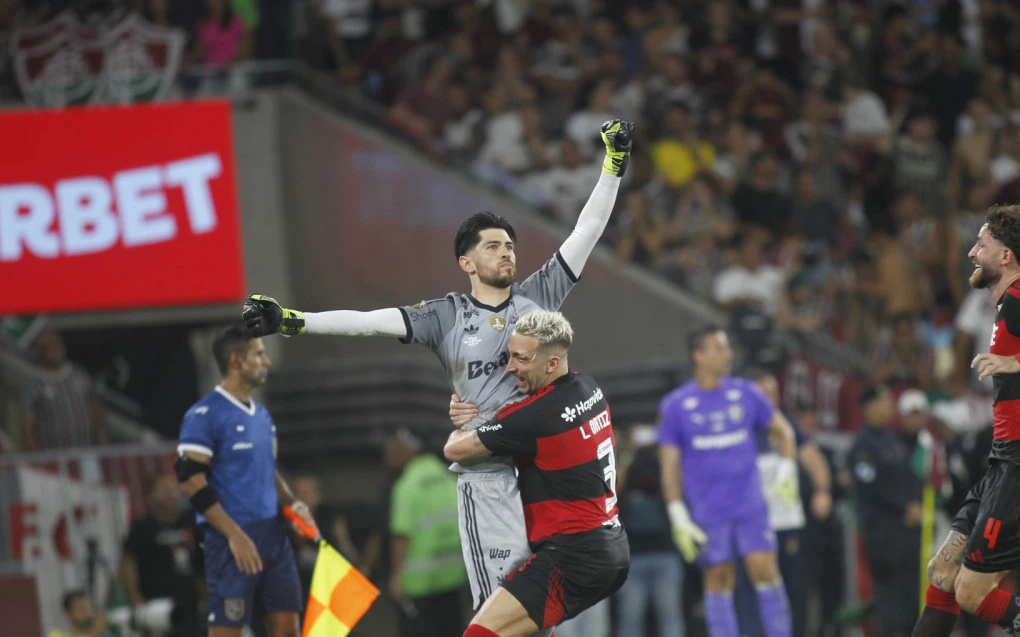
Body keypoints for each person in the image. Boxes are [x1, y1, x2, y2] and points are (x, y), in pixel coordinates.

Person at [241, 120, 634, 626]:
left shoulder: (537, 298)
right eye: (493, 246)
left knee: (536, 618)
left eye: (510, 245)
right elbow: (370, 323)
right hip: (488, 478)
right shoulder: (445, 316)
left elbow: (587, 231)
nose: (506, 252)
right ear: (466, 262)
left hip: (535, 480)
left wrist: (612, 166)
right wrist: (295, 322)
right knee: (501, 617)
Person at [442, 310, 630, 637]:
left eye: (521, 358)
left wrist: (462, 423)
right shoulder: (589, 388)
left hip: (573, 555)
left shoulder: (532, 418)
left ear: (551, 363)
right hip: (613, 547)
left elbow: (454, 450)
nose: (510, 366)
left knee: (480, 633)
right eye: (509, 355)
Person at [915, 204, 1020, 637]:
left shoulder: (1017, 300)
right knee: (942, 574)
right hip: (1002, 462)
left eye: (981, 245)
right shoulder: (1003, 306)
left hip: (1017, 467)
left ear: (1006, 257)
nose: (972, 253)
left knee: (972, 593)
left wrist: (1014, 363)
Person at [175, 325, 319, 637]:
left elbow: (269, 473)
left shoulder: (263, 416)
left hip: (274, 536)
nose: (266, 362)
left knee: (288, 629)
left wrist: (294, 506)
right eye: (259, 354)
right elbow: (190, 481)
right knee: (229, 631)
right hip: (231, 540)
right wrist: (234, 535)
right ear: (236, 361)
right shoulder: (203, 415)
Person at [657, 325, 798, 637]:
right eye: (720, 348)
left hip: (749, 506)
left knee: (765, 571)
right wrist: (677, 515)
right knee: (719, 578)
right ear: (699, 355)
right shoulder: (676, 405)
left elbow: (784, 431)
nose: (728, 353)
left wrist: (787, 472)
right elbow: (669, 468)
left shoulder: (746, 392)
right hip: (707, 512)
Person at [735, 368, 833, 637]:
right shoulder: (740, 427)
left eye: (774, 392)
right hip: (752, 524)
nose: (770, 398)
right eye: (764, 393)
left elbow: (813, 458)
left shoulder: (786, 426)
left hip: (786, 524)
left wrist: (822, 490)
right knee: (752, 592)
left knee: (793, 591)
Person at [847, 385, 923, 637]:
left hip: (908, 536)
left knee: (911, 604)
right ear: (869, 407)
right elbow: (871, 488)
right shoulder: (863, 446)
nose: (891, 406)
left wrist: (915, 503)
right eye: (885, 401)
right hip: (883, 537)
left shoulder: (895, 441)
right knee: (890, 605)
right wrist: (904, 506)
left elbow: (912, 478)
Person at [385, 428, 468, 637]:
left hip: (418, 584)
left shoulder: (407, 485)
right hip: (453, 576)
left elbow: (401, 534)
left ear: (407, 449)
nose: (388, 456)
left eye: (393, 449)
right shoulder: (448, 477)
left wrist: (396, 576)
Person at [614, 425, 686, 637]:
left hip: (652, 556)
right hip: (646, 557)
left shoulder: (650, 474)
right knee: (656, 620)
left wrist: (629, 456)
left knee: (644, 622)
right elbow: (611, 494)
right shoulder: (644, 476)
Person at [119, 473, 203, 637]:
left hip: (189, 603)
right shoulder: (142, 526)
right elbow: (126, 565)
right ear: (150, 496)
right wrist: (139, 603)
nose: (171, 494)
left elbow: (201, 563)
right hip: (157, 606)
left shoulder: (190, 522)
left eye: (173, 489)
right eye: (164, 490)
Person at [21, 329, 107, 450]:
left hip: (87, 452)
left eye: (56, 345)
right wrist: (37, 459)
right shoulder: (34, 383)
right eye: (47, 347)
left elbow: (95, 409)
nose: (54, 351)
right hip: (55, 456)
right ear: (39, 352)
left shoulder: (78, 373)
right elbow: (27, 426)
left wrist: (103, 444)